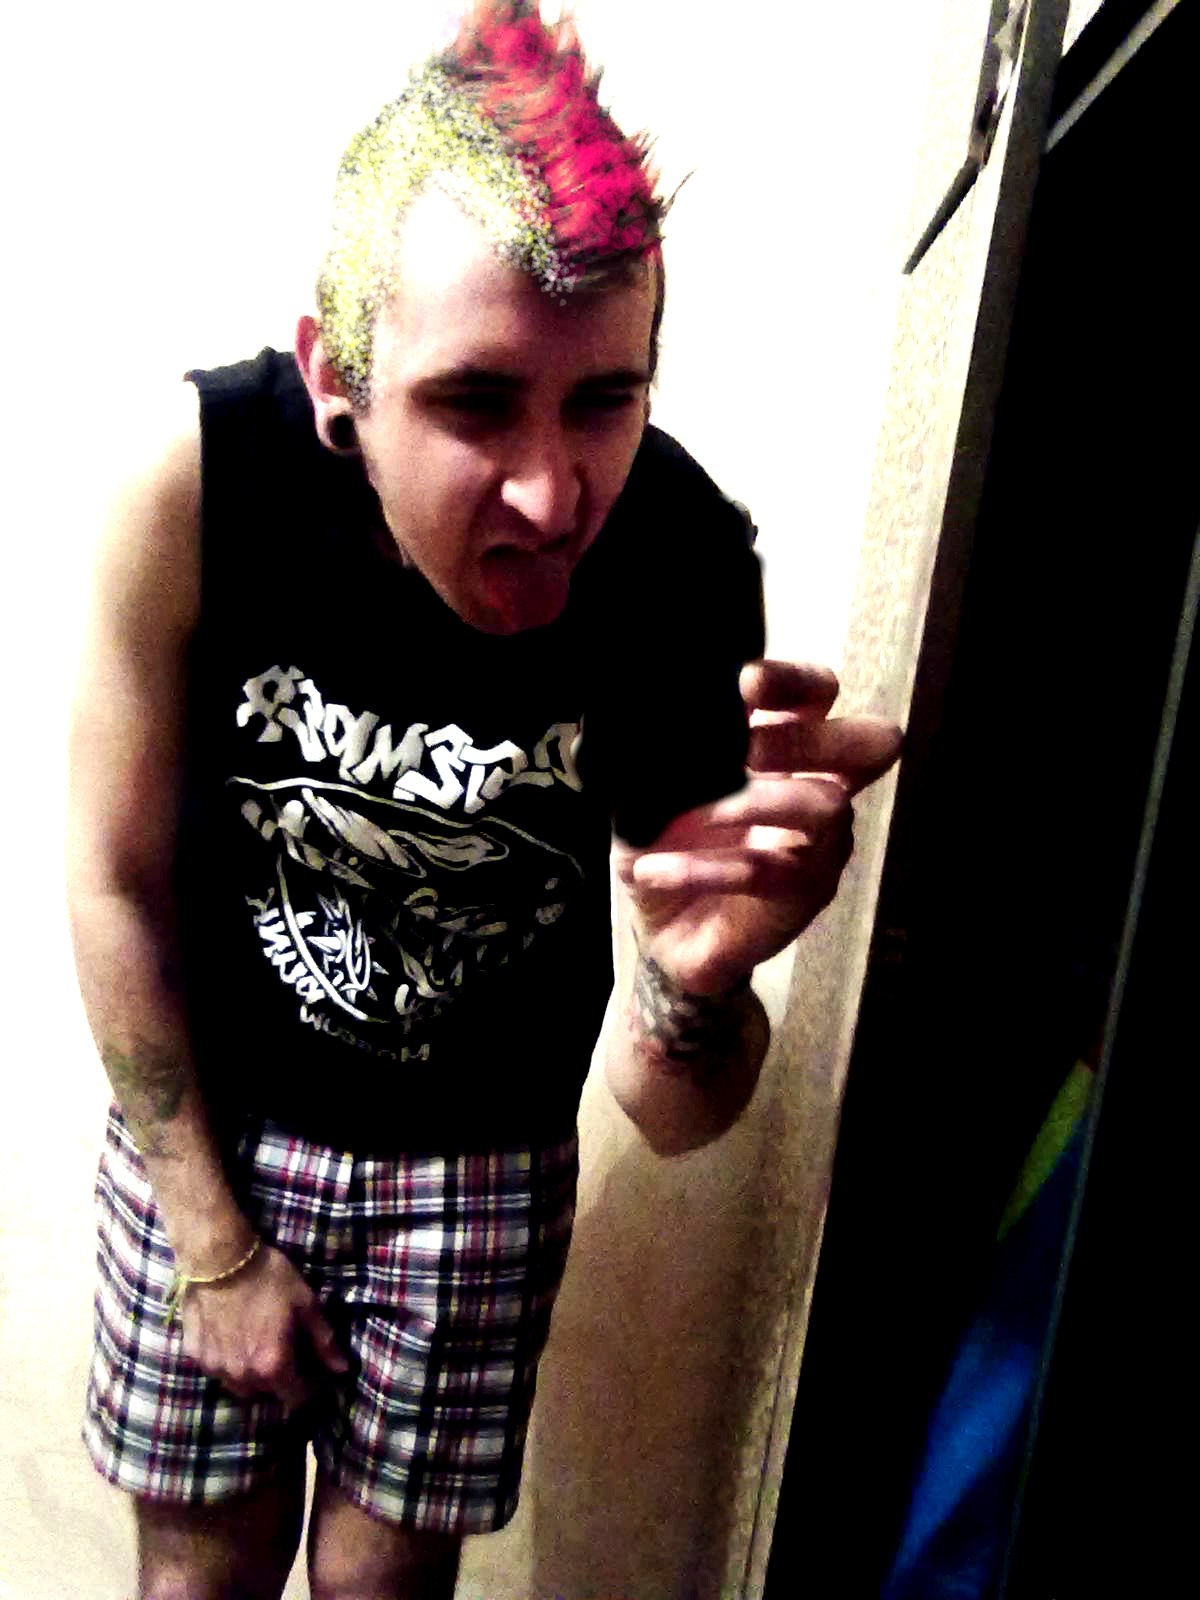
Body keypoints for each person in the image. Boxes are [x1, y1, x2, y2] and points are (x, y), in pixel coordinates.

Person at [66, 3, 902, 1596]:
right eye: (473, 402)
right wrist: (214, 1247)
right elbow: (113, 881)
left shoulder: (679, 560)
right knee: (197, 1580)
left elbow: (674, 1106)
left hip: (480, 1167)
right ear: (341, 375)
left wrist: (699, 983)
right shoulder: (199, 481)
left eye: (604, 400)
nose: (550, 492)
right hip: (210, 1121)